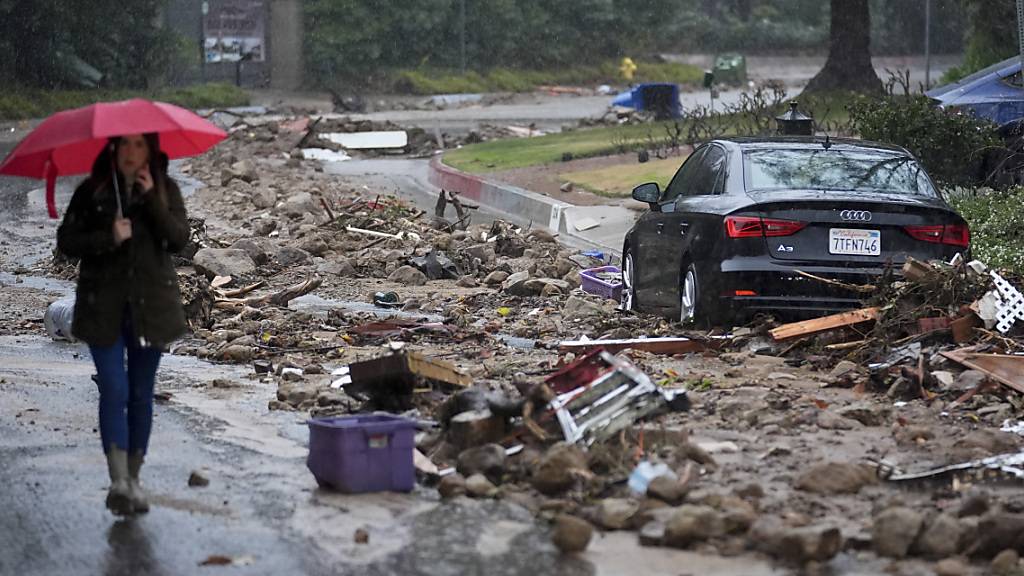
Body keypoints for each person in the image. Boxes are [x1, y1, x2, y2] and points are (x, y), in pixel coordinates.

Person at [57, 133, 190, 516]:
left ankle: (134, 481)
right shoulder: (92, 190)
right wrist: (108, 237)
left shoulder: (166, 189)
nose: (131, 153)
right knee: (113, 388)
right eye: (124, 145)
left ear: (151, 150)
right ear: (112, 148)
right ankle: (117, 481)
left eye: (139, 145)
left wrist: (152, 203)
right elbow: (66, 241)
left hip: (153, 309)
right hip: (103, 307)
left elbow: (179, 240)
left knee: (140, 393)